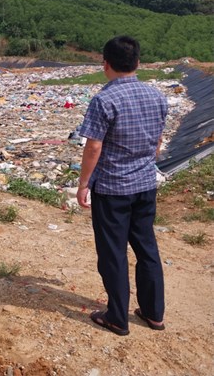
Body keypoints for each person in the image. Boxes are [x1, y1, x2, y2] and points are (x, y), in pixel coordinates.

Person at [77, 35, 168, 336]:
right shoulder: (156, 96)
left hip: (113, 188)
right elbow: (156, 142)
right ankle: (154, 313)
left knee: (113, 252)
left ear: (105, 64)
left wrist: (83, 184)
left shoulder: (104, 99)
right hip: (145, 184)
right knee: (146, 247)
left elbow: (93, 148)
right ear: (138, 63)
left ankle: (117, 317)